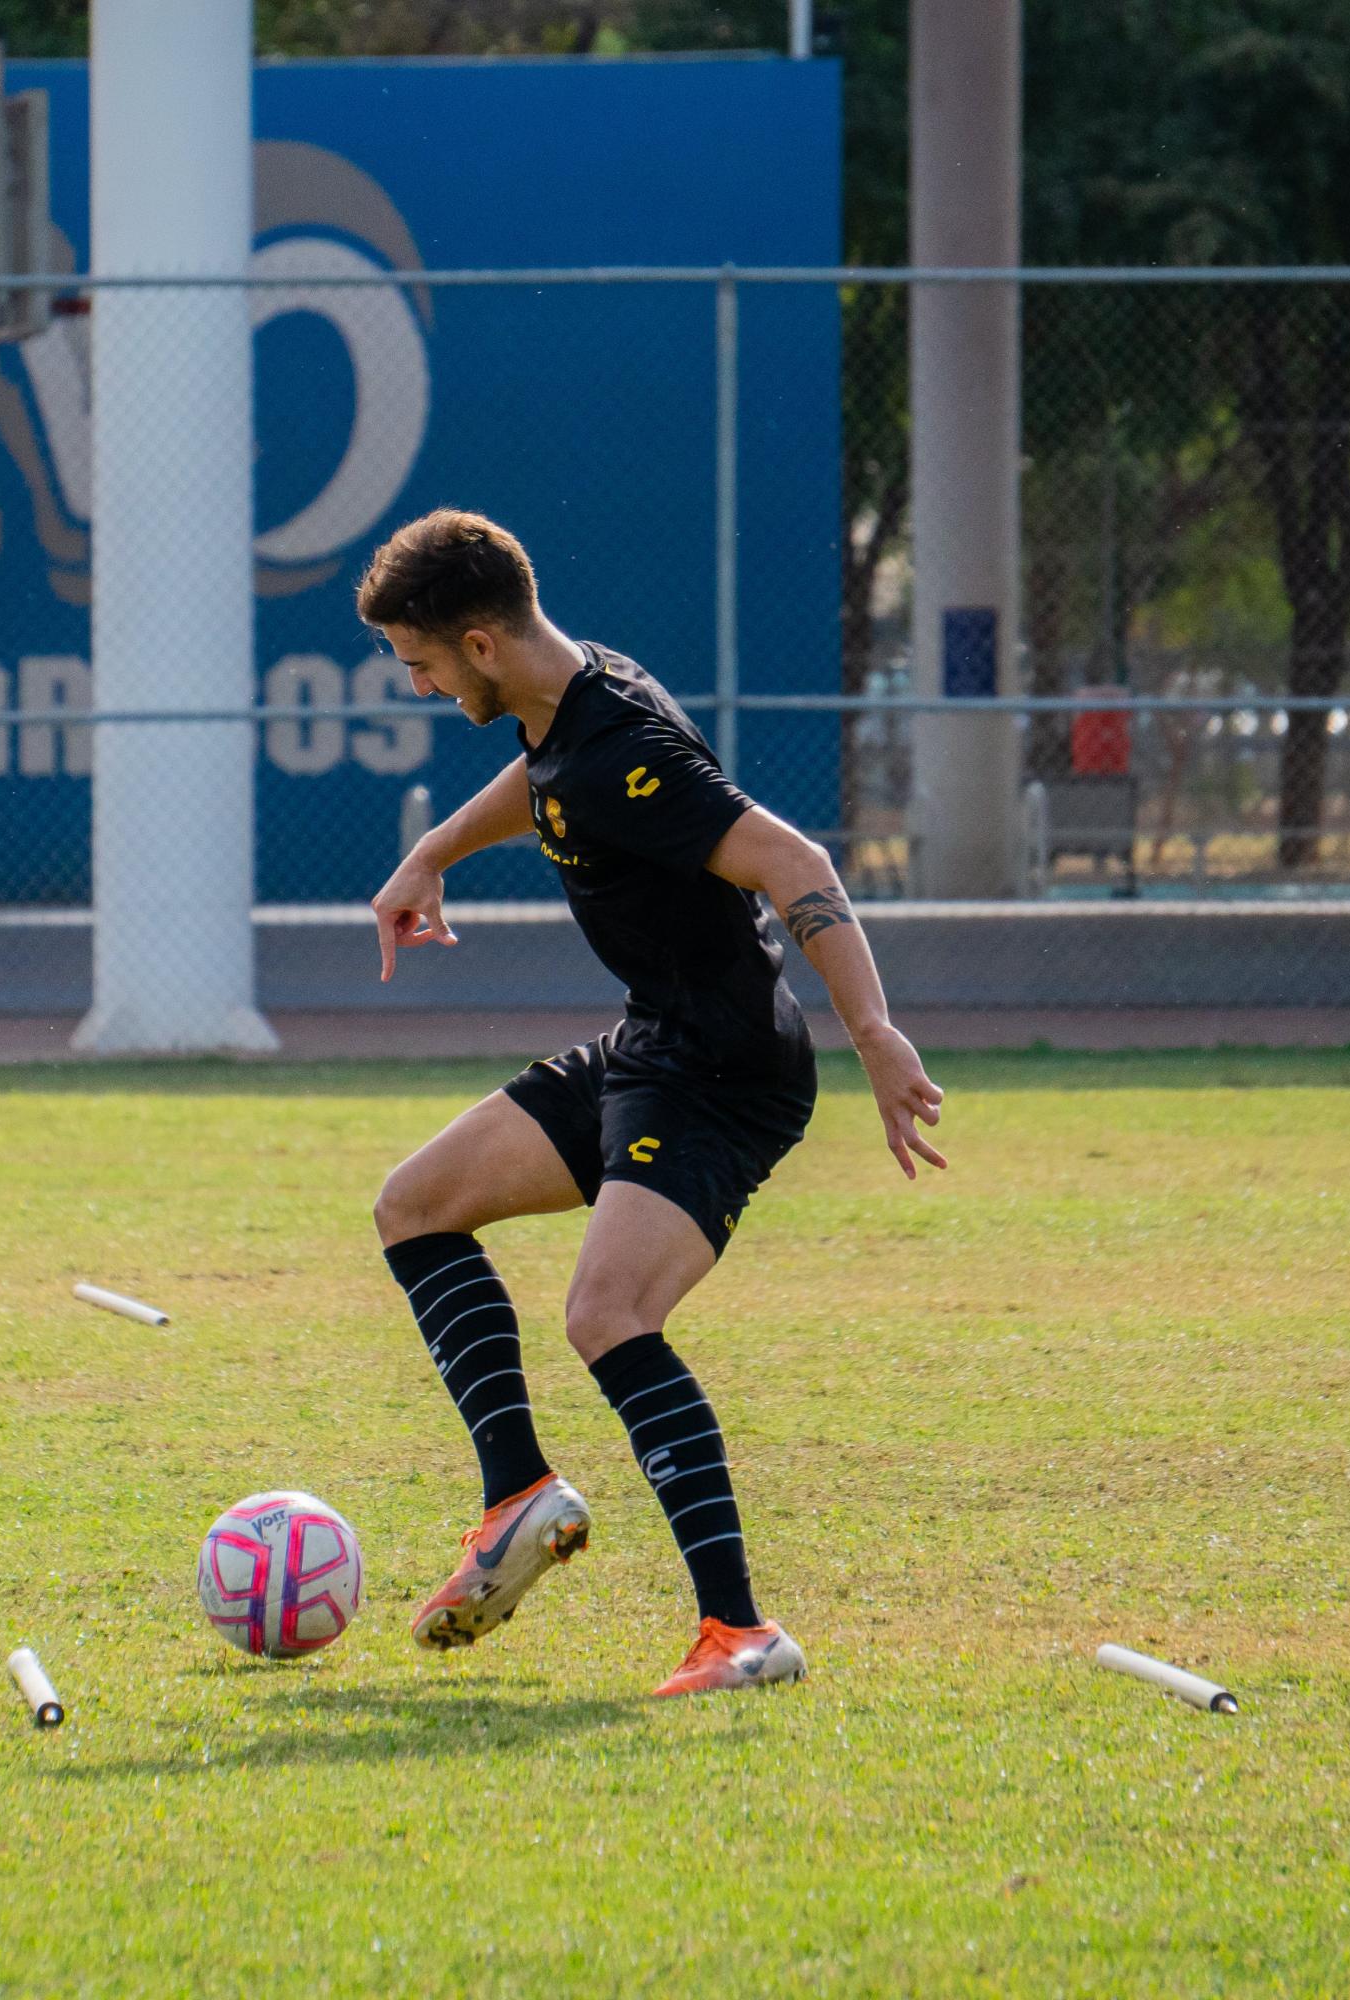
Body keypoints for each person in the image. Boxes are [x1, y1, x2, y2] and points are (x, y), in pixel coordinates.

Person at [361, 509, 945, 1696]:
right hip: (652, 1041)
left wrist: (875, 1034)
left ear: (478, 643)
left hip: (722, 1072)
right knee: (414, 1205)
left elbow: (797, 868)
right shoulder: (566, 705)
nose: (415, 685)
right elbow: (544, 784)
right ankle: (517, 1488)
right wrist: (431, 852)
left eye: (418, 662)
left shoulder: (625, 741)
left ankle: (740, 1633)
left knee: (605, 1312)